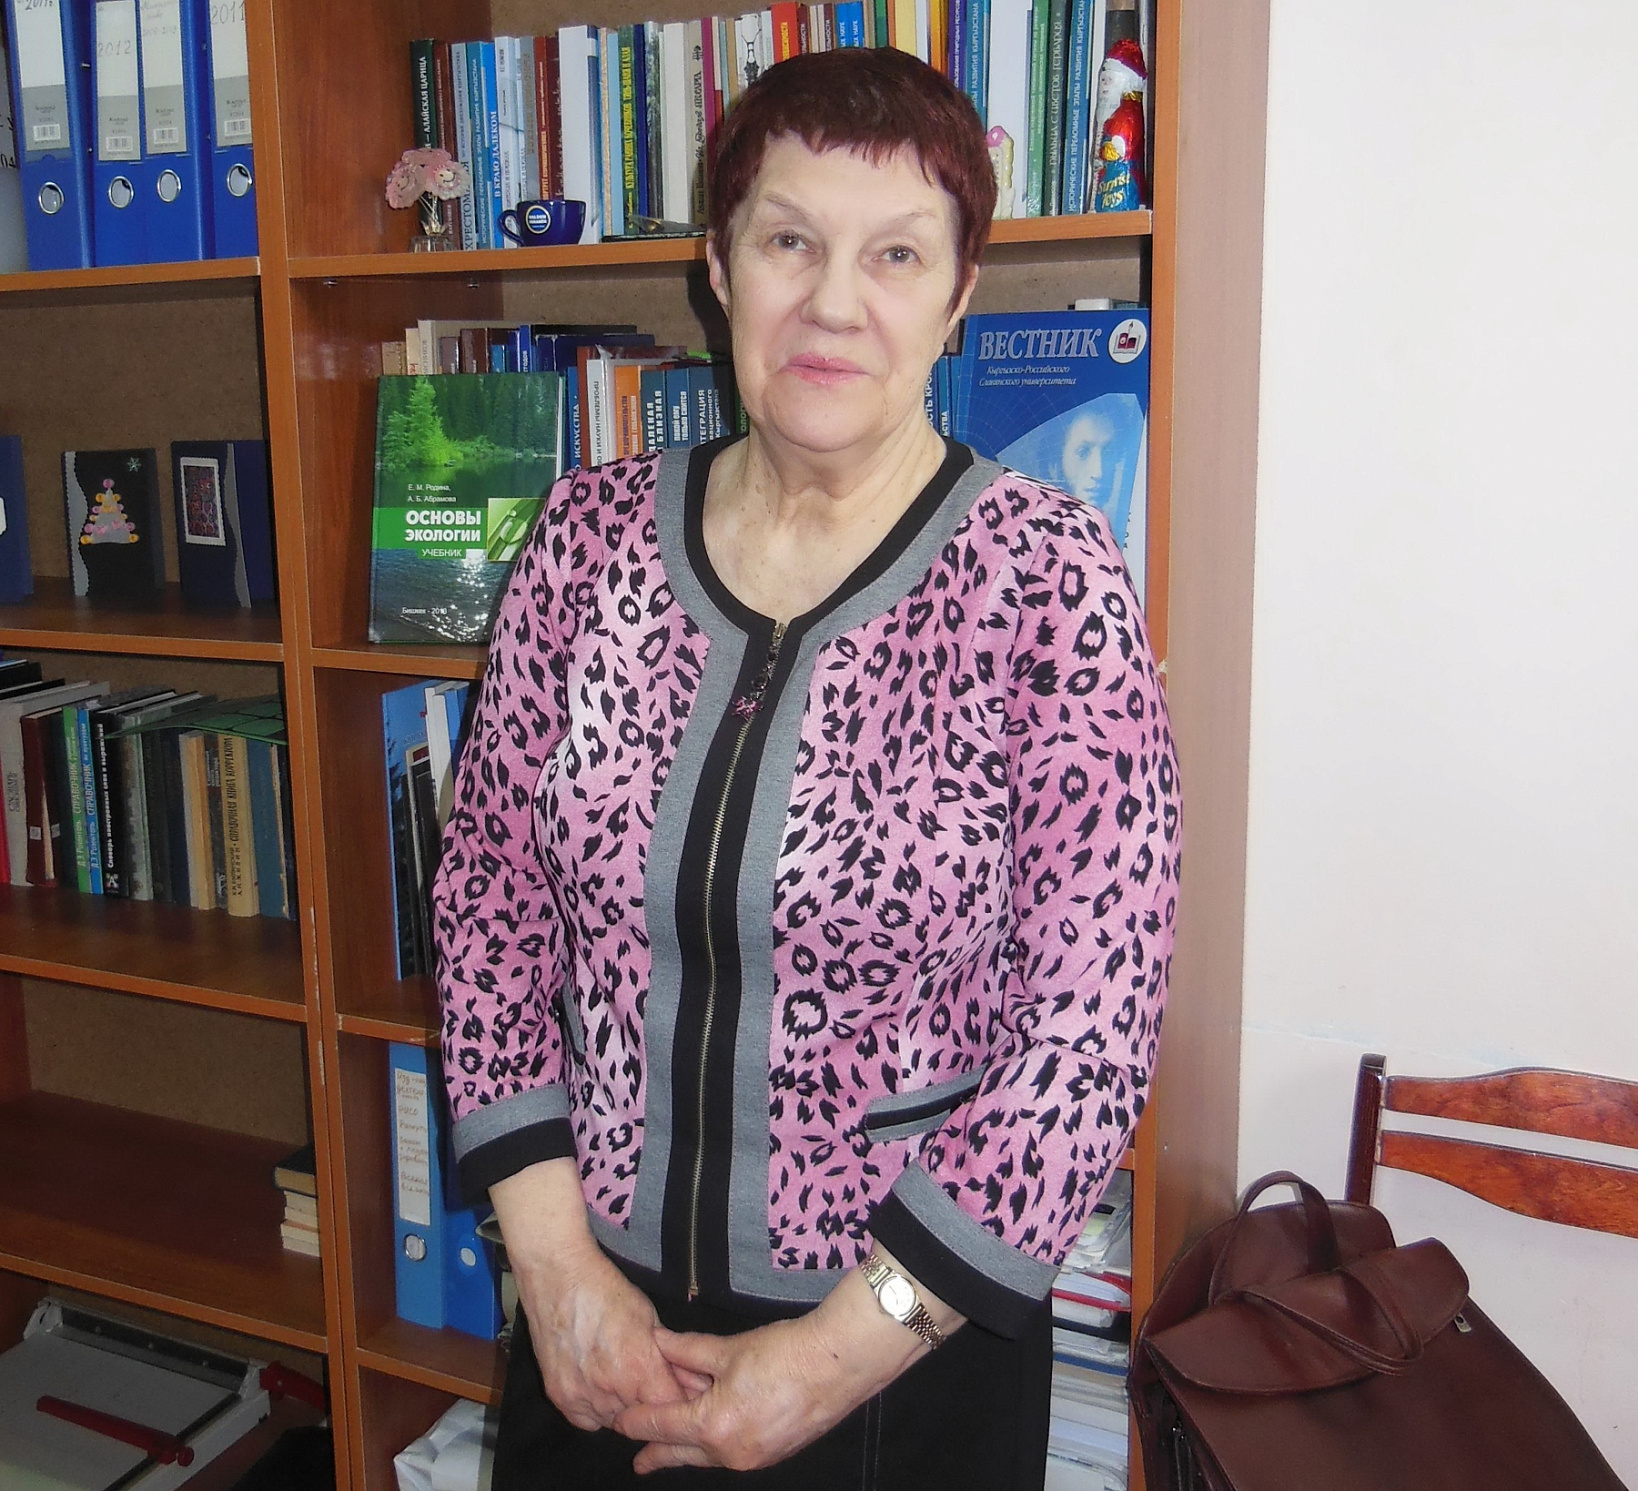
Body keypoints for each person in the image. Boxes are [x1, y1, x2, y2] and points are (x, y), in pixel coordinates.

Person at [433, 46, 1178, 1490]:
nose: (835, 303)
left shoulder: (1047, 581)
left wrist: (830, 1359)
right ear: (719, 267)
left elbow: (1089, 1031)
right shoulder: (583, 540)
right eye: (789, 242)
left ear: (957, 296)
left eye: (895, 255)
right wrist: (556, 1270)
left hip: (902, 1357)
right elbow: (487, 912)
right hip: (595, 1332)